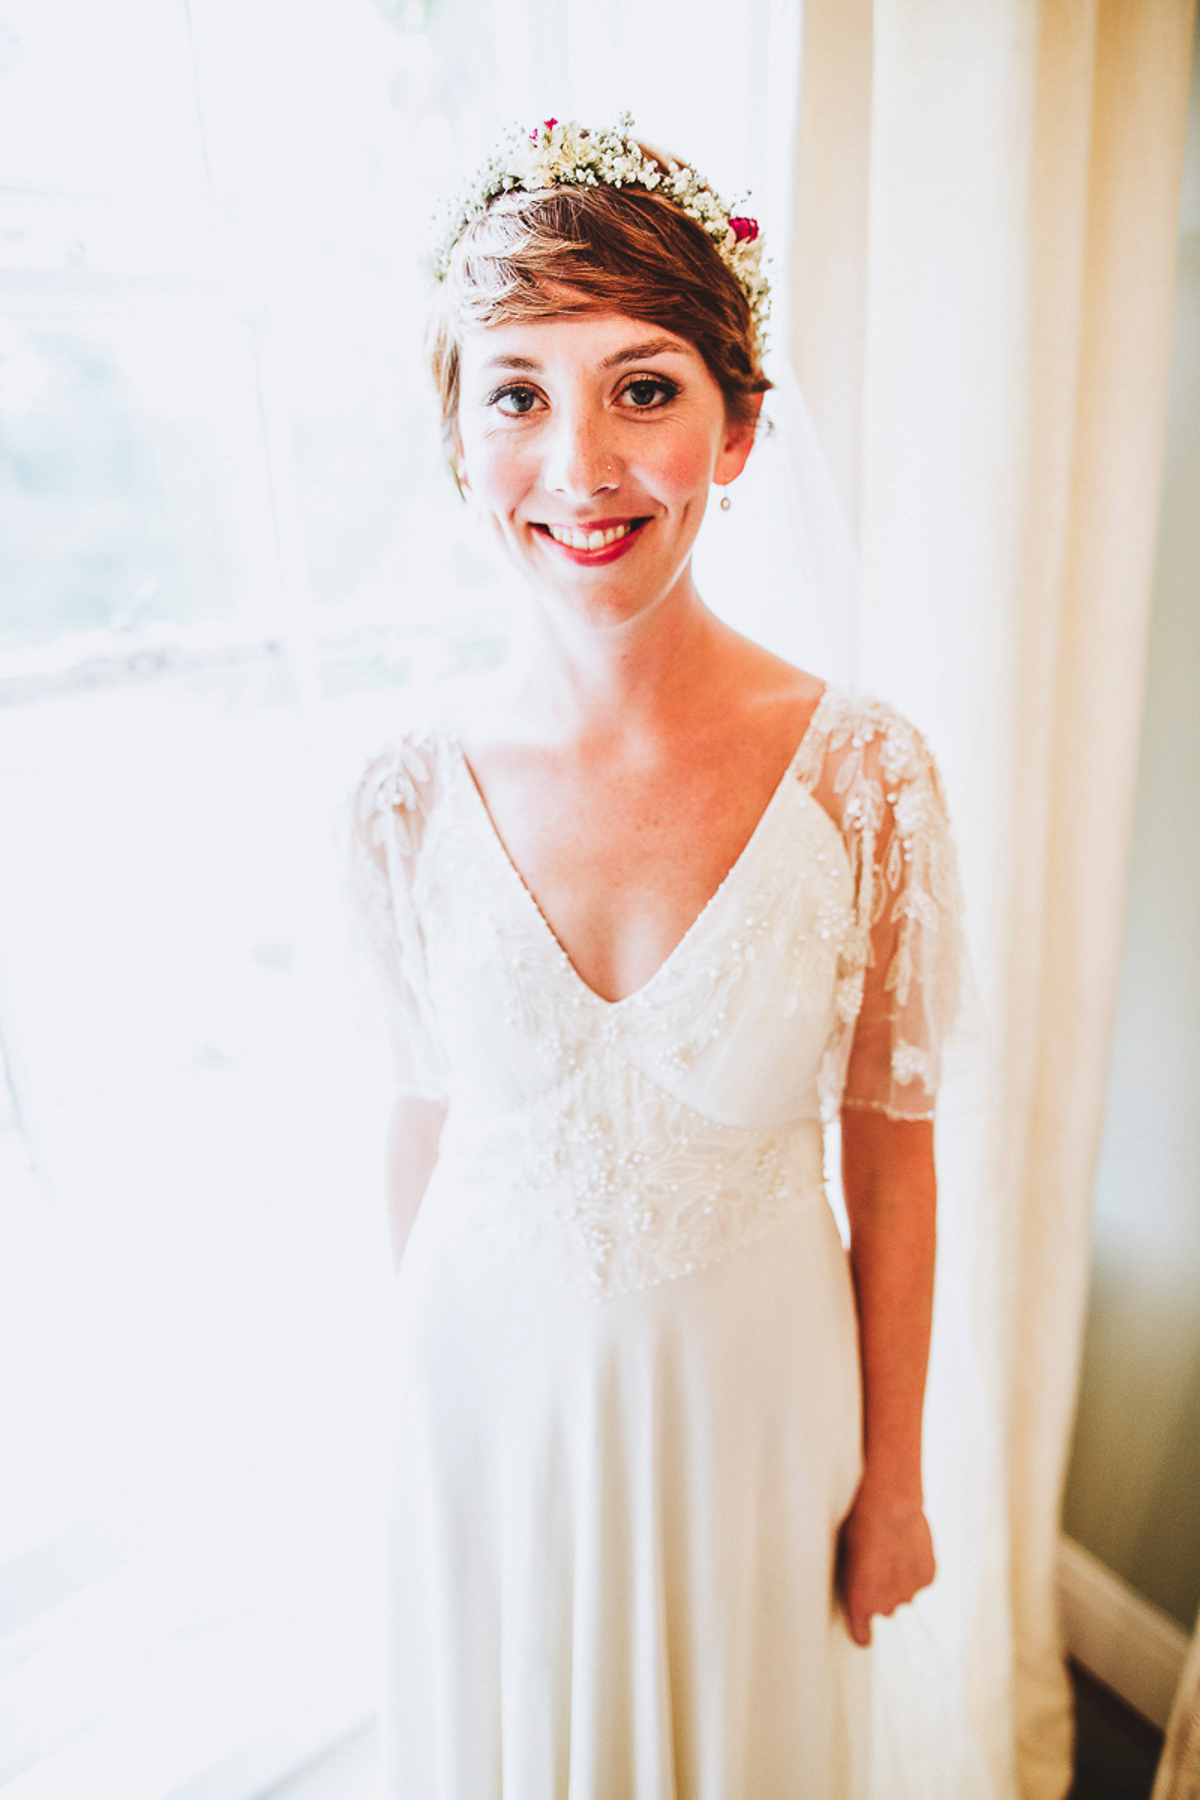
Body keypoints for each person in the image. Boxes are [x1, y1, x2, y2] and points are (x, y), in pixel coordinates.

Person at [349, 116, 965, 1800]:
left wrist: (892, 1480)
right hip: (478, 1398)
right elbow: (422, 1117)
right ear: (461, 441)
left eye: (643, 387)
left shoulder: (867, 775)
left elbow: (892, 1153)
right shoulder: (403, 793)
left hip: (753, 1414)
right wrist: (418, 1420)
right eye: (518, 394)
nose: (581, 464)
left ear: (739, 428)